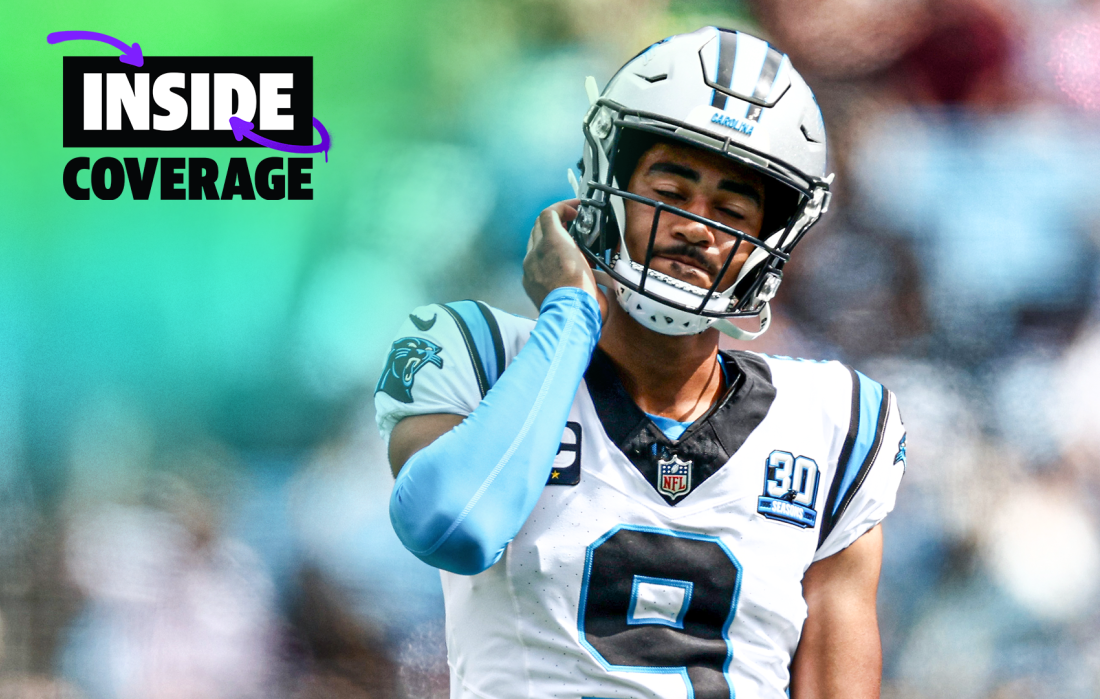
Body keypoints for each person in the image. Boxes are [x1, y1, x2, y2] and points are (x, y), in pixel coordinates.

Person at [373, 27, 905, 699]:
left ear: (773, 240)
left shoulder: (836, 423)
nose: (697, 227)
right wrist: (569, 315)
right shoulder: (477, 351)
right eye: (672, 191)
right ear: (608, 186)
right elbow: (452, 525)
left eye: (732, 207)